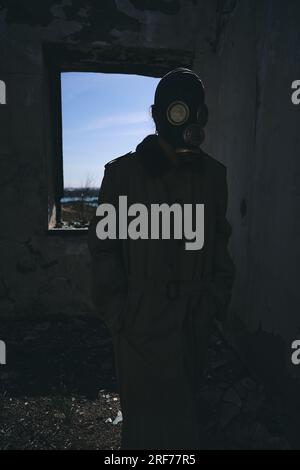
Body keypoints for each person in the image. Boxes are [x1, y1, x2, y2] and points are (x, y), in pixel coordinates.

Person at [88, 68, 235, 450]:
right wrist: (119, 312)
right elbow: (103, 248)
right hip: (140, 319)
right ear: (157, 114)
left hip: (193, 319)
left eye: (195, 108)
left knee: (184, 421)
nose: (189, 118)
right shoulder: (122, 175)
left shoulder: (213, 177)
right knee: (143, 428)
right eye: (178, 108)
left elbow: (220, 241)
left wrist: (215, 299)